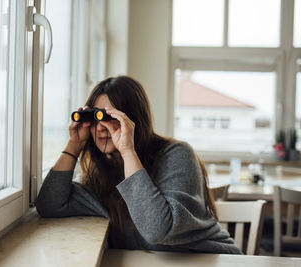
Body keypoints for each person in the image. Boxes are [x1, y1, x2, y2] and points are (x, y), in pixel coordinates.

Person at [36, 76, 241, 254]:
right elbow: (50, 205)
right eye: (94, 118)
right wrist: (74, 145)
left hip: (213, 260)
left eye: (109, 117)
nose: (101, 127)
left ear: (133, 121)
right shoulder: (98, 173)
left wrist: (127, 150)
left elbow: (156, 229)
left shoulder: (176, 155)